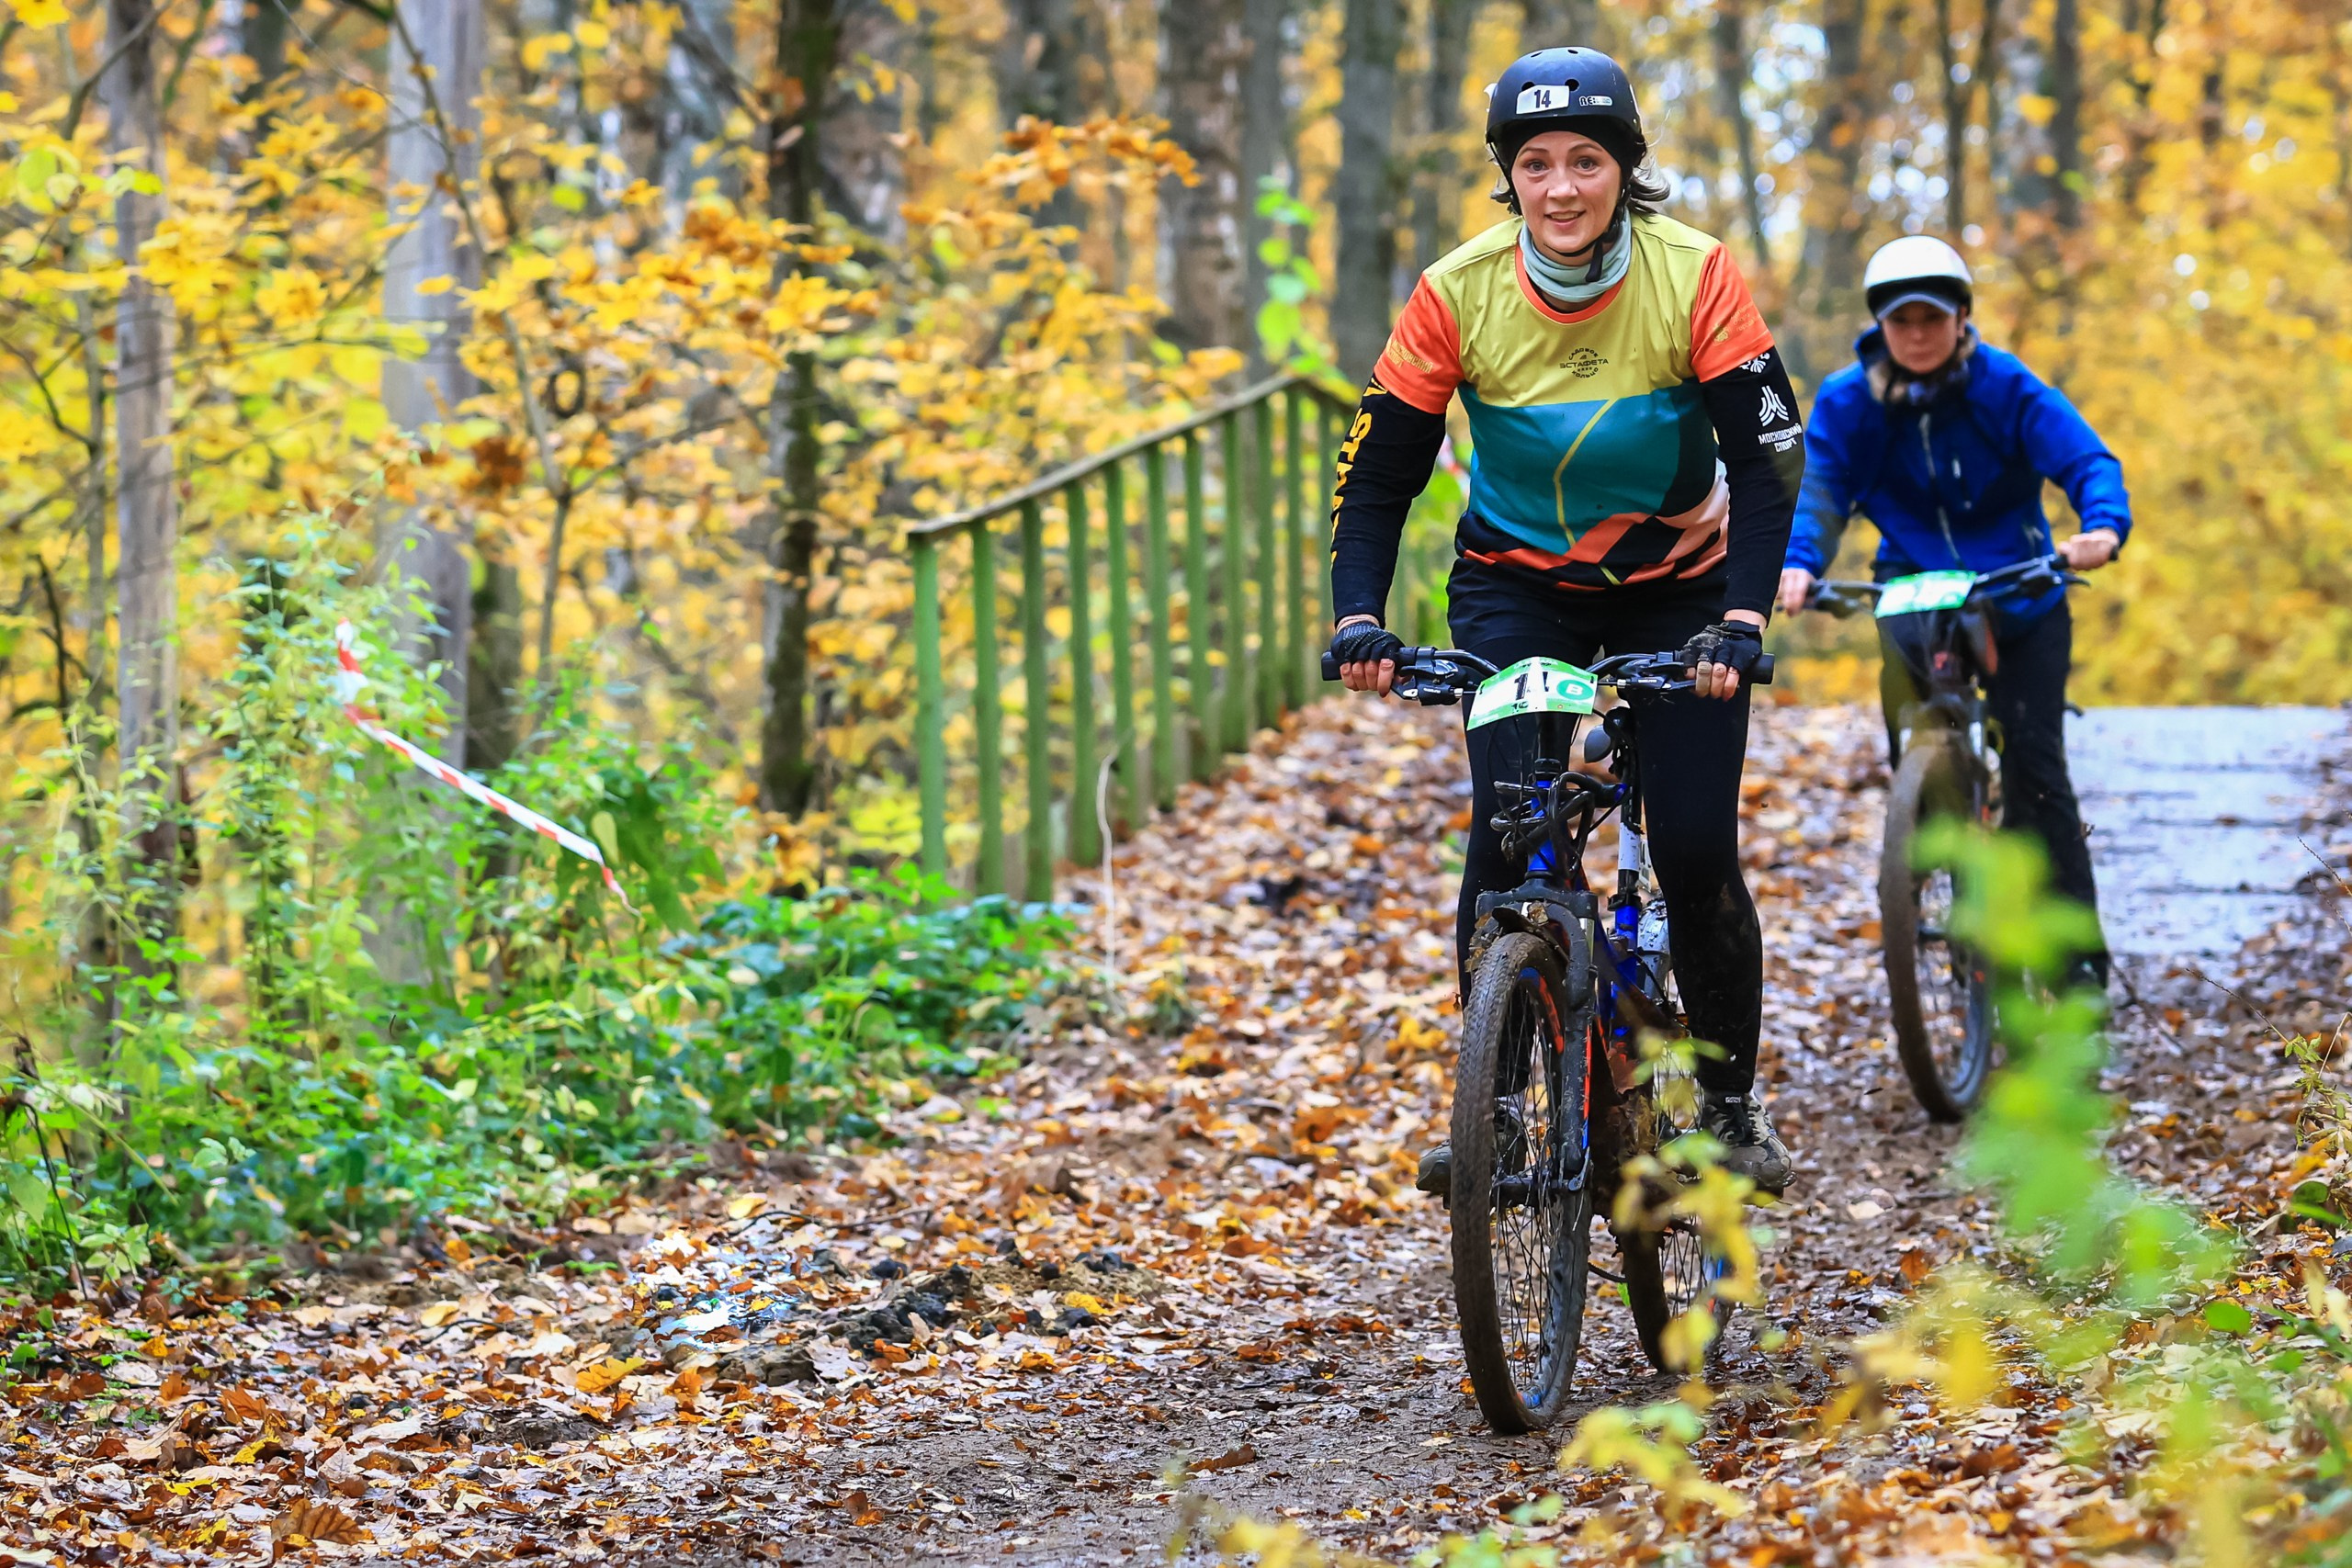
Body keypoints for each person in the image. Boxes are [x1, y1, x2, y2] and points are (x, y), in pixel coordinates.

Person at [1328, 46, 1807, 1193]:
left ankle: (1729, 1108)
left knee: (1694, 847)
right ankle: (1492, 1106)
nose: (1559, 188)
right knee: (1504, 835)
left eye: (1584, 161)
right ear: (1508, 177)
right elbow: (1378, 466)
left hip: (1682, 581)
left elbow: (1767, 452)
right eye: (1534, 163)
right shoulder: (1458, 289)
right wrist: (1357, 617)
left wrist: (1740, 618)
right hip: (1516, 583)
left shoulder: (1693, 274)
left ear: (1624, 169)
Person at [1778, 236, 2128, 987]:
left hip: (2018, 587)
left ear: (1962, 317)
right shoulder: (1848, 402)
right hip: (1912, 587)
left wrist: (2100, 524)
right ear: (1881, 324)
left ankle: (2078, 971)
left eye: (1932, 317)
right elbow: (1821, 494)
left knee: (2037, 771)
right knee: (1915, 747)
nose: (1917, 333)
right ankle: (1935, 856)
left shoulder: (2005, 385)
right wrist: (1800, 564)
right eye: (1901, 319)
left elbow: (2087, 459)